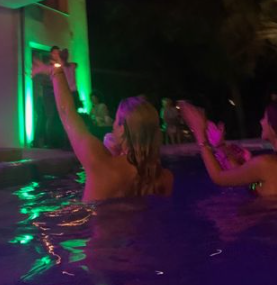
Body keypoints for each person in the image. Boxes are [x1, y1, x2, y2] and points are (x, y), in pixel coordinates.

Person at [32, 58, 173, 201]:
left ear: (123, 129)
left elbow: (66, 113)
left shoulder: (99, 163)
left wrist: (55, 71)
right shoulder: (165, 178)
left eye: (117, 121)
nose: (113, 126)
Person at [180, 99, 277, 196]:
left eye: (265, 118)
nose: (261, 122)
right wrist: (221, 147)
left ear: (274, 128)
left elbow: (218, 177)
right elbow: (257, 184)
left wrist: (199, 135)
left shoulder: (266, 164)